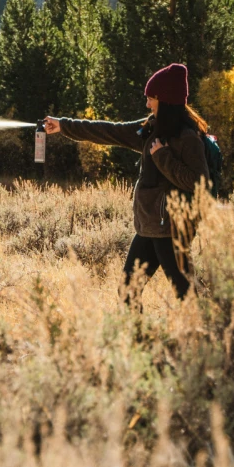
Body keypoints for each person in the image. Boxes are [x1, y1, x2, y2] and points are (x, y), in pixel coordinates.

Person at [44, 63, 210, 306]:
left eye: (152, 99)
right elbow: (109, 131)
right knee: (127, 292)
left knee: (187, 297)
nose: (147, 104)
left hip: (172, 229)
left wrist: (162, 156)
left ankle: (208, 339)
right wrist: (64, 125)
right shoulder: (151, 128)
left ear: (166, 100)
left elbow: (199, 183)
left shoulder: (187, 138)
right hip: (149, 228)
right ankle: (139, 342)